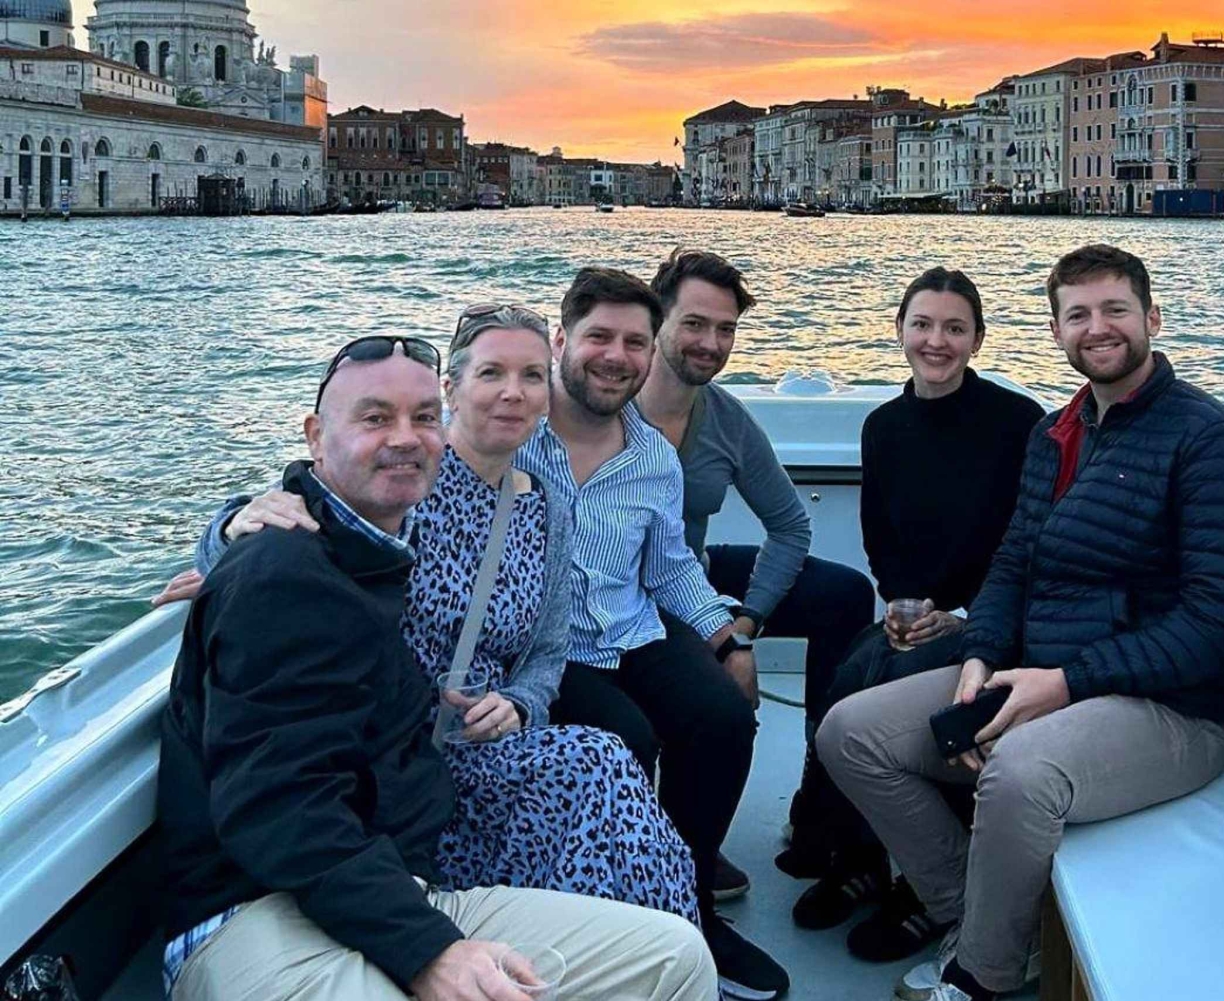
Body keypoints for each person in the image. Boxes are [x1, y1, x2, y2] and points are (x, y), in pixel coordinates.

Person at [156, 335, 716, 1001]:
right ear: (315, 436)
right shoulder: (299, 562)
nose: (405, 437)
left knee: (650, 881)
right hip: (269, 898)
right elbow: (284, 804)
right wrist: (226, 531)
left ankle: (690, 922)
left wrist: (521, 702)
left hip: (397, 846)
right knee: (596, 766)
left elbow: (549, 644)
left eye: (421, 418)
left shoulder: (428, 532)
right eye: (375, 417)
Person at [819, 244, 1224, 1001]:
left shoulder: (1210, 442)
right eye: (1078, 314)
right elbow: (1014, 565)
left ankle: (981, 973)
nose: (1097, 328)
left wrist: (1061, 683)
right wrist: (980, 656)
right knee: (852, 732)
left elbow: (1212, 625)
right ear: (1056, 330)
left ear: (1153, 318)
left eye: (1115, 310)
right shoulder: (1059, 433)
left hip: (1168, 710)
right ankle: (974, 914)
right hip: (1038, 675)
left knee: (1019, 771)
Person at [523, 267, 788, 1001]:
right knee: (626, 739)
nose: (617, 356)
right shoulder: (512, 431)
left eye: (634, 342)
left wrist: (729, 639)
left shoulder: (652, 456)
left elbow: (670, 567)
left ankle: (690, 903)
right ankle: (618, 921)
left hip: (630, 624)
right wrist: (253, 516)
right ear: (560, 340)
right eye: (599, 337)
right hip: (544, 647)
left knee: (722, 718)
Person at [783, 269, 1043, 949]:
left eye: (955, 328)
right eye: (922, 324)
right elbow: (881, 537)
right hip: (918, 614)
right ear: (899, 330)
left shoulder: (1017, 423)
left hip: (991, 621)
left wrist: (962, 615)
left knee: (897, 682)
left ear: (977, 339)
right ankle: (858, 853)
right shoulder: (884, 427)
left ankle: (925, 881)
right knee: (851, 670)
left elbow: (1027, 545)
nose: (936, 341)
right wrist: (903, 608)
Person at [633, 247, 875, 847]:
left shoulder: (726, 420)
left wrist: (746, 621)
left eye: (726, 329)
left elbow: (790, 526)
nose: (710, 344)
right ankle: (672, 846)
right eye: (694, 323)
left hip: (691, 578)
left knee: (845, 595)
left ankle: (820, 804)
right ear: (657, 319)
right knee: (714, 700)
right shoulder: (608, 404)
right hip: (624, 599)